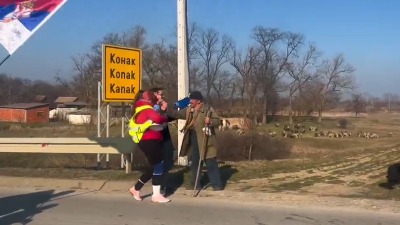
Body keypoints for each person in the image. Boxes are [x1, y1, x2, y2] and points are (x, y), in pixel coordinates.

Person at [128, 90, 171, 203]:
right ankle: (156, 195)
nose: (156, 96)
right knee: (158, 165)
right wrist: (165, 117)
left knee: (153, 166)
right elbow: (157, 118)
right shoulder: (146, 109)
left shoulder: (141, 108)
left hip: (146, 140)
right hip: (149, 140)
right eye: (153, 96)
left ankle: (136, 188)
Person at [178, 91, 224, 191]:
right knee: (195, 162)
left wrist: (210, 121)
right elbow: (178, 114)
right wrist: (168, 109)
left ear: (198, 101)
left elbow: (218, 121)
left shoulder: (207, 109)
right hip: (194, 138)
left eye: (192, 99)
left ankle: (217, 185)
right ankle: (194, 184)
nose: (190, 101)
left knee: (210, 161)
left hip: (206, 139)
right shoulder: (189, 109)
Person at [149, 87, 176, 194]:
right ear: (154, 95)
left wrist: (165, 111)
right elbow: (156, 121)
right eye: (160, 94)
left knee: (167, 160)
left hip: (164, 136)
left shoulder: (159, 107)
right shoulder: (152, 107)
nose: (162, 96)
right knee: (161, 163)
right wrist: (163, 113)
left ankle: (161, 186)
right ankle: (159, 187)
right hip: (158, 138)